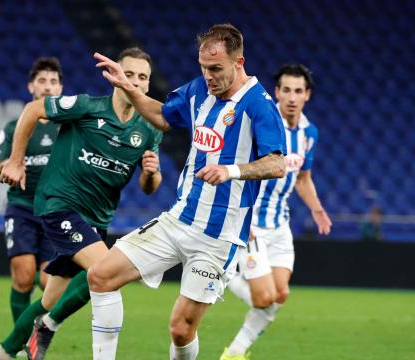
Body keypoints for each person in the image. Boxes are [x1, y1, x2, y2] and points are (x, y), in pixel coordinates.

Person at [88, 23, 287, 360]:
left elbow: (277, 164)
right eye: (203, 68)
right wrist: (130, 89)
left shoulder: (259, 105)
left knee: (181, 329)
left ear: (239, 63)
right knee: (101, 276)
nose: (208, 76)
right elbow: (163, 117)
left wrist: (231, 170)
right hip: (178, 220)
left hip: (219, 238)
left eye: (215, 69)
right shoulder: (198, 91)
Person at [0, 47, 163, 360]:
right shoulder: (87, 107)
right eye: (130, 73)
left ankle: (1, 354)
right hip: (59, 205)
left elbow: (149, 187)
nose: (135, 81)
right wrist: (15, 161)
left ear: (148, 85)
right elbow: (33, 110)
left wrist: (151, 173)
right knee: (109, 271)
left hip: (96, 219)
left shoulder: (149, 129)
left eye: (142, 77)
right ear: (115, 78)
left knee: (49, 299)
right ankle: (49, 326)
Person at [221, 63, 333, 360]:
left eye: (298, 91)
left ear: (307, 95)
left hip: (280, 226)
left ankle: (234, 353)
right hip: (253, 223)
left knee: (279, 295)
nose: (292, 97)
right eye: (286, 90)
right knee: (263, 298)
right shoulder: (265, 126)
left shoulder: (310, 133)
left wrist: (317, 209)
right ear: (277, 92)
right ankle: (224, 272)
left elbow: (303, 178)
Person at [0, 57, 63, 324]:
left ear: (60, 89)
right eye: (42, 81)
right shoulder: (14, 127)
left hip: (54, 210)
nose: (47, 86)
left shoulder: (67, 127)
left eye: (53, 81)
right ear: (31, 86)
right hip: (21, 207)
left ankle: (40, 331)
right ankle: (21, 340)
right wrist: (13, 163)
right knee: (22, 276)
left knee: (47, 282)